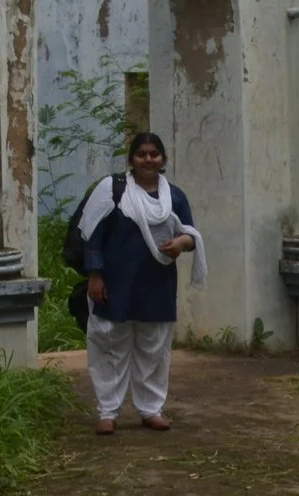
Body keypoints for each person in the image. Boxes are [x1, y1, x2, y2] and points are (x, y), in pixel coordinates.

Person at [76, 131, 205, 434]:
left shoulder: (174, 196)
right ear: (131, 159)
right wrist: (95, 276)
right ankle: (108, 411)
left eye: (154, 154)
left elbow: (190, 233)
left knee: (154, 349)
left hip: (156, 284)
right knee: (109, 346)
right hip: (114, 283)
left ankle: (151, 409)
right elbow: (93, 236)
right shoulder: (113, 190)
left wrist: (181, 244)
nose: (148, 159)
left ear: (163, 159)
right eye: (142, 154)